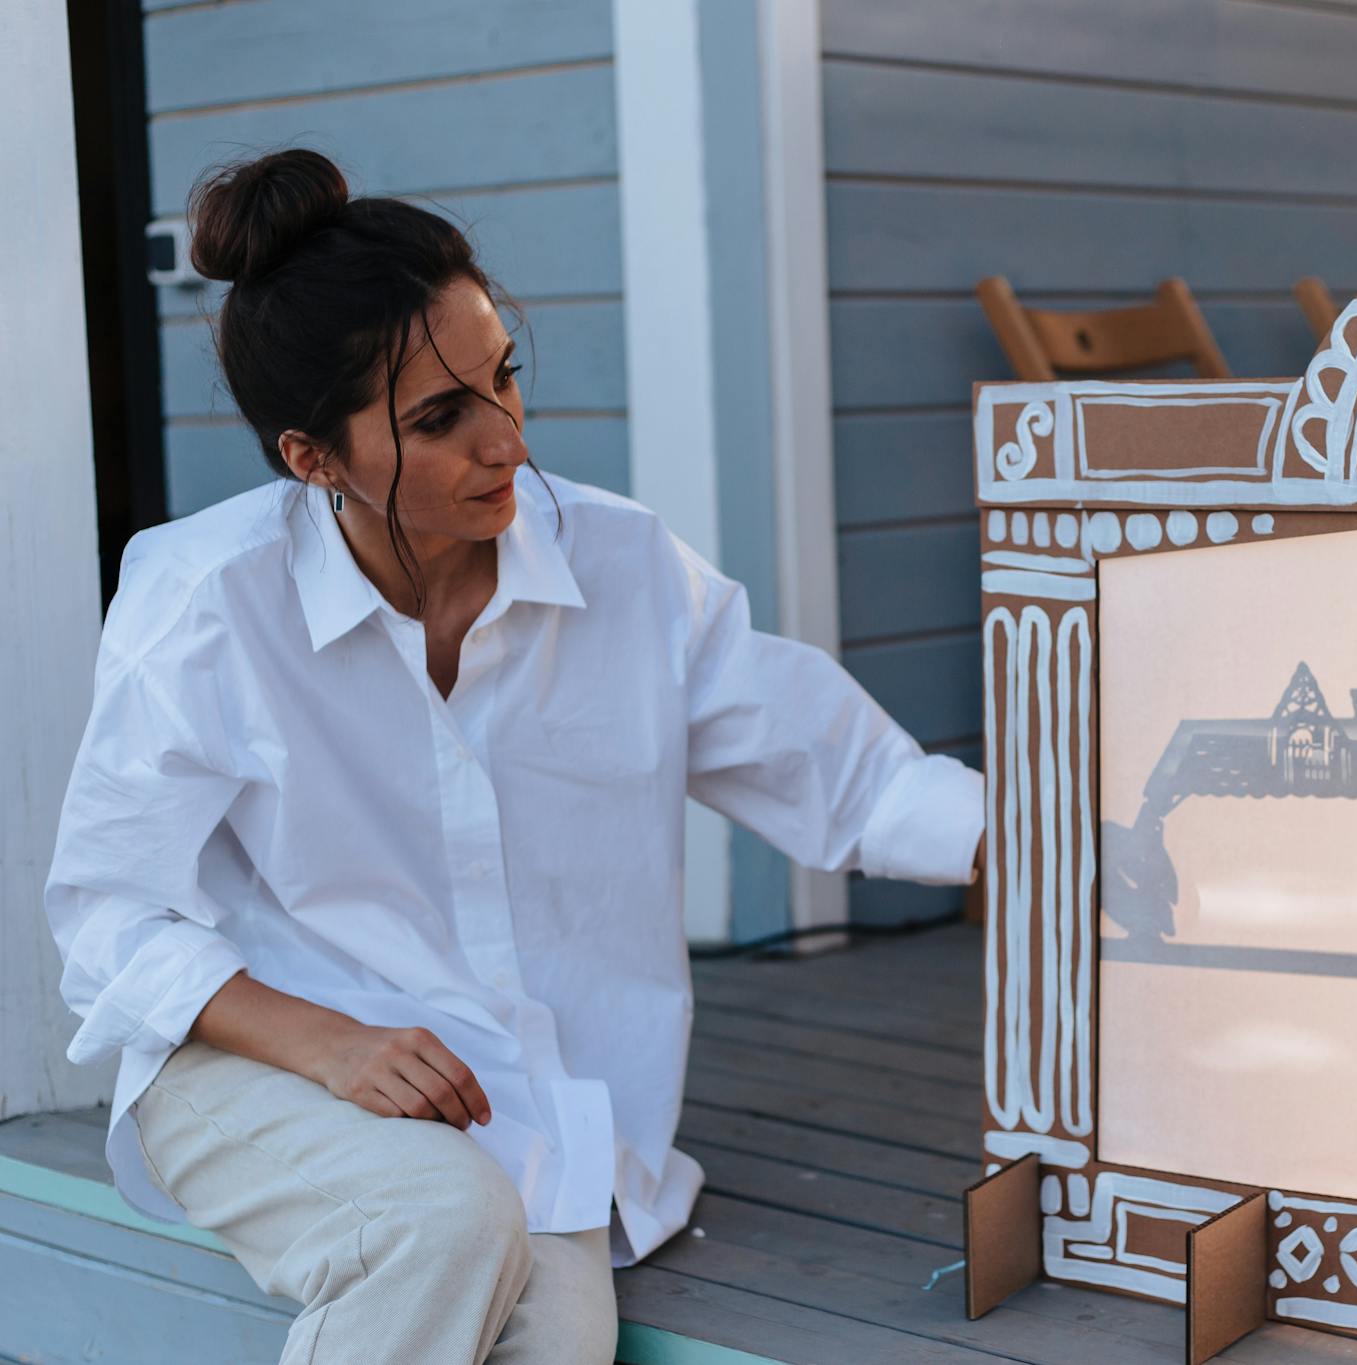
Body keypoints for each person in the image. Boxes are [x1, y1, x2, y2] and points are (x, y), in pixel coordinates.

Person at [40, 147, 985, 1364]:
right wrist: (331, 1042)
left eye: (504, 377)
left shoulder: (622, 567)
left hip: (517, 1106)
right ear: (311, 459)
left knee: (556, 1338)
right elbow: (107, 918)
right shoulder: (206, 602)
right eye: (440, 418)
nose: (505, 441)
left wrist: (1065, 847)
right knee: (438, 1225)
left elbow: (844, 778)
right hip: (255, 1065)